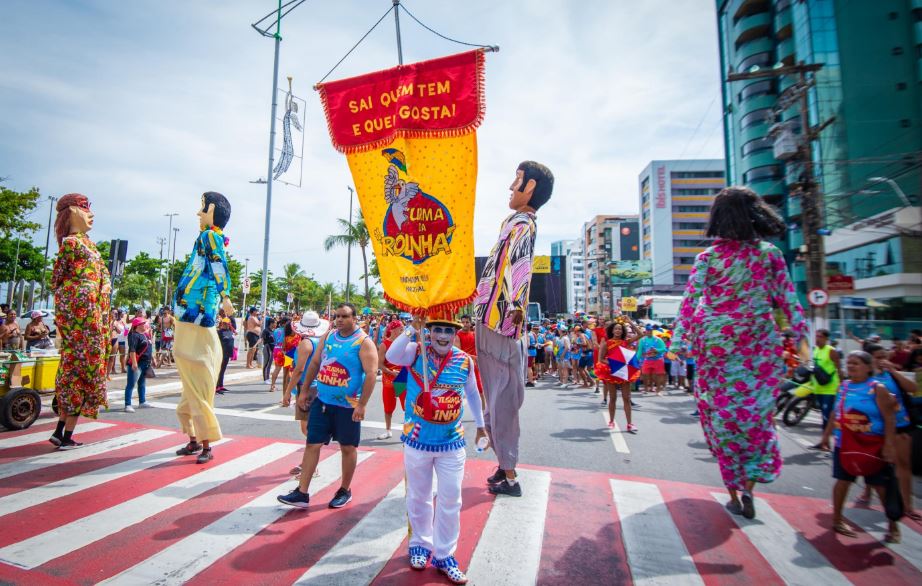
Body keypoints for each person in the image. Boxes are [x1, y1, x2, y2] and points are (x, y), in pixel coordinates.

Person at [670, 186, 808, 520]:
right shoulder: (769, 254)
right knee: (755, 417)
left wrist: (677, 343)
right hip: (759, 345)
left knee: (721, 419)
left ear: (718, 216)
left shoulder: (709, 257)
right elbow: (789, 301)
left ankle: (733, 489)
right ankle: (748, 486)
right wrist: (805, 347)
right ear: (757, 214)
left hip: (715, 345)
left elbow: (690, 301)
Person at [472, 160, 554, 498]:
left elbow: (520, 264)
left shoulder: (521, 222)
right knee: (497, 397)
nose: (510, 186)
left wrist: (517, 305)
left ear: (530, 187)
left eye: (517, 180)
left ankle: (509, 473)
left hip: (500, 322)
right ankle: (504, 466)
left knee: (502, 398)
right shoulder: (517, 221)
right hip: (497, 319)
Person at [385, 315, 486, 584]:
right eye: (437, 330)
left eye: (448, 331)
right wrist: (411, 328)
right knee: (419, 497)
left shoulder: (464, 360)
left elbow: (473, 394)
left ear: (455, 334)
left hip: (451, 442)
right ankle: (420, 544)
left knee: (452, 499)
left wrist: (481, 425)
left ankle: (445, 555)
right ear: (429, 332)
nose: (442, 335)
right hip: (417, 440)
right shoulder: (416, 351)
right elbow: (393, 356)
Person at [277, 302, 377, 509]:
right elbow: (314, 364)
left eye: (345, 316)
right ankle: (302, 493)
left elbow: (371, 374)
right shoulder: (329, 336)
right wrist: (304, 391)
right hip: (322, 401)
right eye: (337, 316)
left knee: (347, 448)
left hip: (348, 406)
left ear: (354, 318)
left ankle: (344, 490)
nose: (339, 320)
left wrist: (362, 404)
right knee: (312, 444)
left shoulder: (363, 342)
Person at [173, 191, 235, 465]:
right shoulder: (206, 237)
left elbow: (218, 264)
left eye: (202, 209)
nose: (198, 214)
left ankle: (206, 444)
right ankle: (194, 440)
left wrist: (225, 296)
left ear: (212, 212)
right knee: (191, 384)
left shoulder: (210, 236)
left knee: (197, 379)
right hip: (191, 314)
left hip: (197, 314)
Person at [49, 193, 111, 449]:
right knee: (79, 372)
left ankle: (62, 432)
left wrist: (103, 286)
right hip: (80, 319)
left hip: (92, 315)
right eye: (85, 209)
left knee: (80, 372)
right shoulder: (71, 245)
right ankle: (64, 434)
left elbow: (104, 274)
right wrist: (81, 294)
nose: (91, 214)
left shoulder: (89, 245)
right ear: (71, 212)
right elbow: (57, 280)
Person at [819, 351, 900, 542]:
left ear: (868, 367)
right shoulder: (844, 386)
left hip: (872, 445)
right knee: (842, 481)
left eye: (856, 363)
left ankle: (893, 526)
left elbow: (890, 418)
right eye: (849, 363)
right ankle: (837, 519)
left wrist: (889, 445)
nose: (851, 366)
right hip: (845, 444)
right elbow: (834, 413)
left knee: (880, 486)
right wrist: (826, 436)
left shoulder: (877, 388)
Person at [863, 343, 920, 521]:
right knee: (874, 464)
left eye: (884, 356)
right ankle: (868, 490)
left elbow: (912, 388)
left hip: (900, 425)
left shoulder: (891, 375)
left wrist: (894, 371)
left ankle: (907, 505)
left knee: (903, 465)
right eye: (878, 357)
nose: (882, 360)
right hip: (875, 428)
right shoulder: (864, 379)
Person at [282, 311, 330, 478]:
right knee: (309, 427)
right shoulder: (320, 341)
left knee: (307, 428)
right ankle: (307, 463)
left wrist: (288, 391)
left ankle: (311, 465)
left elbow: (299, 370)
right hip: (317, 385)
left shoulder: (306, 344)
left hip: (307, 387)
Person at [596, 319, 641, 432]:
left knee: (627, 398)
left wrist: (630, 322)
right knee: (613, 398)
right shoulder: (607, 343)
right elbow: (601, 359)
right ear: (612, 330)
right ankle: (611, 421)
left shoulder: (626, 342)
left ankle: (629, 423)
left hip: (624, 372)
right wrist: (613, 363)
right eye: (616, 328)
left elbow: (640, 334)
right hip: (612, 372)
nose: (618, 330)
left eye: (620, 329)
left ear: (623, 331)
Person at [810, 328, 842, 446]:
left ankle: (826, 442)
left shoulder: (831, 351)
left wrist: (841, 384)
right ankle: (824, 441)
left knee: (827, 416)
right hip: (818, 387)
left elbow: (839, 368)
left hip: (830, 388)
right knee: (823, 415)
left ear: (826, 339)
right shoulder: (816, 350)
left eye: (820, 337)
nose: (817, 339)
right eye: (816, 336)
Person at [377, 320, 406, 440]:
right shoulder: (384, 344)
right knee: (388, 407)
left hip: (403, 378)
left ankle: (408, 431)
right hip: (389, 379)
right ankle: (388, 430)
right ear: (393, 330)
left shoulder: (405, 343)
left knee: (407, 407)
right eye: (401, 329)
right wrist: (390, 372)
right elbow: (379, 364)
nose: (403, 331)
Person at [124, 317, 154, 412]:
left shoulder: (145, 334)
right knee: (131, 384)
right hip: (137, 363)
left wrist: (153, 359)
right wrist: (134, 363)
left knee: (142, 383)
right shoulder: (134, 335)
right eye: (143, 323)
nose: (145, 325)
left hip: (145, 363)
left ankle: (142, 401)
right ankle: (128, 404)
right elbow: (132, 350)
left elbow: (149, 347)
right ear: (138, 325)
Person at [637, 325, 666, 395]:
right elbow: (640, 351)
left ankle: (658, 390)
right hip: (647, 360)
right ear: (646, 331)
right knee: (644, 374)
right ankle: (646, 388)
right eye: (648, 330)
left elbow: (664, 349)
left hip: (658, 360)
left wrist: (657, 350)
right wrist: (636, 359)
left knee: (657, 375)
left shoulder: (658, 339)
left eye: (651, 330)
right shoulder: (642, 340)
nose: (650, 332)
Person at [215, 309, 237, 395]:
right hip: (221, 354)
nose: (227, 324)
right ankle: (216, 387)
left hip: (228, 353)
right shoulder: (219, 332)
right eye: (226, 323)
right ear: (222, 324)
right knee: (219, 370)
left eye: (228, 323)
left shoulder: (230, 331)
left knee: (223, 370)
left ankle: (221, 385)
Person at [261, 316, 277, 383]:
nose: (276, 325)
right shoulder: (266, 330)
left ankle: (267, 377)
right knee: (266, 363)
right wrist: (255, 345)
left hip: (272, 349)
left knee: (270, 363)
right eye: (275, 323)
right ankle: (265, 379)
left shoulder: (273, 331)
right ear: (271, 323)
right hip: (267, 348)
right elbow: (262, 338)